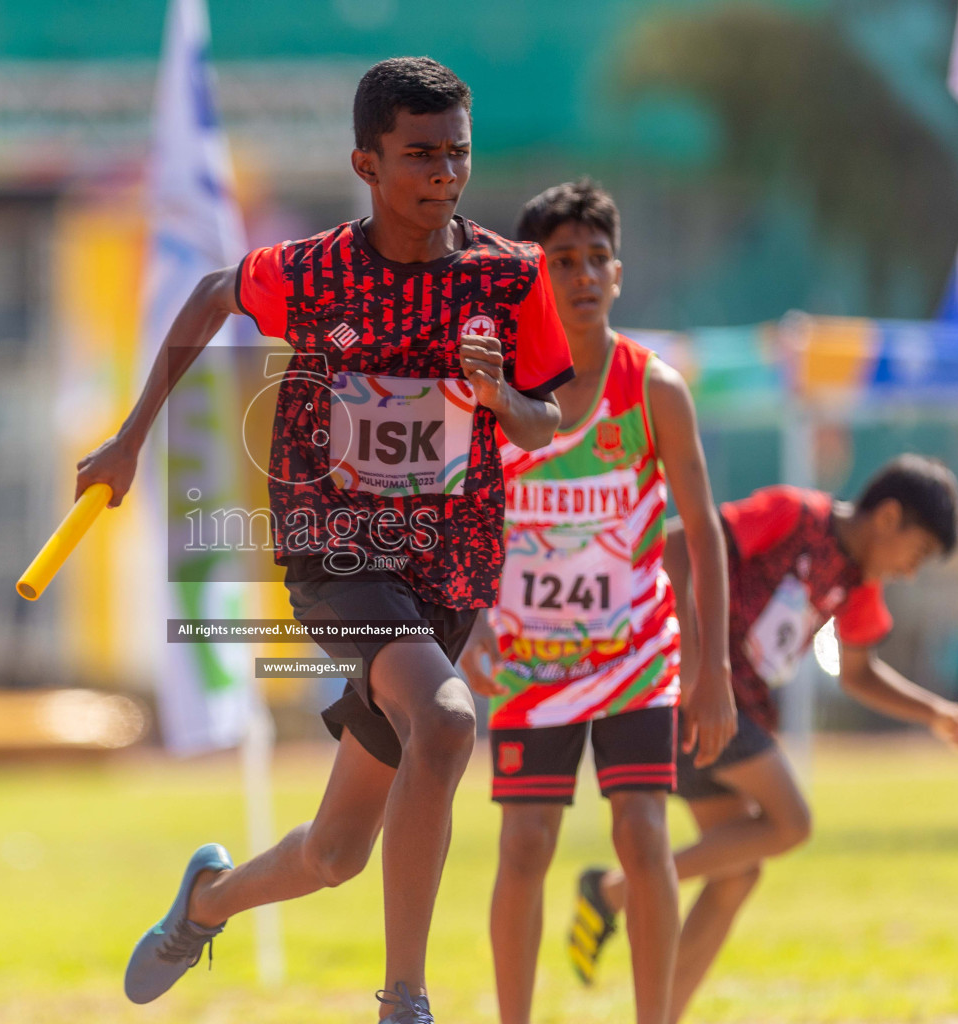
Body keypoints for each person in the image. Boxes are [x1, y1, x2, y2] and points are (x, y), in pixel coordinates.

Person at [76, 57, 576, 1023]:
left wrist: (498, 392)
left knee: (339, 853)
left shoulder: (509, 279)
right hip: (333, 547)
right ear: (366, 160)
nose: (445, 174)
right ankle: (406, 1001)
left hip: (452, 559)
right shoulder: (314, 271)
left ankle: (206, 901)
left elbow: (539, 423)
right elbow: (215, 295)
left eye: (458, 154)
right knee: (447, 720)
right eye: (420, 155)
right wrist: (132, 435)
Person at [567, 456, 958, 1024]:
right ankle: (615, 891)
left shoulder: (857, 583)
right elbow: (679, 548)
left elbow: (858, 671)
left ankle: (653, 1004)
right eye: (916, 556)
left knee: (739, 871)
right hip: (690, 693)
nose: (910, 573)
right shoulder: (793, 514)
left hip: (735, 711)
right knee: (791, 822)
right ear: (888, 517)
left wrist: (935, 714)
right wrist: (695, 670)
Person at [458, 179, 736, 1024]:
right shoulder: (495, 392)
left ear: (619, 273)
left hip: (635, 654)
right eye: (561, 261)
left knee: (644, 835)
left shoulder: (654, 389)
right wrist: (468, 624)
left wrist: (712, 667)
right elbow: (460, 516)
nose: (582, 275)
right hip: (530, 658)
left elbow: (703, 529)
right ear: (533, 278)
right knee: (525, 845)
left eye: (597, 259)